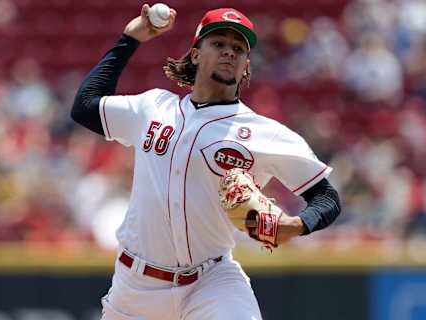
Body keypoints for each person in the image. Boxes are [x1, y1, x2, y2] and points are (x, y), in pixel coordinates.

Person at [71, 4, 341, 320]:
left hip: (212, 281)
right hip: (135, 287)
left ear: (246, 67)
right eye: (218, 43)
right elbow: (85, 107)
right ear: (196, 54)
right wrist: (131, 38)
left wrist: (296, 225)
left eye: (238, 49)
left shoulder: (263, 133)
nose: (229, 52)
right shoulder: (153, 107)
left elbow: (326, 197)